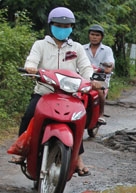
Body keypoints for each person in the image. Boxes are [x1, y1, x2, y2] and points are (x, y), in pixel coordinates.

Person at [14, 7, 101, 176]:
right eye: (59, 25)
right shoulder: (40, 45)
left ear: (71, 27)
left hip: (70, 96)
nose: (62, 29)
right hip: (44, 92)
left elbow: (85, 68)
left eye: (66, 25)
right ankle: (22, 150)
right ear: (51, 25)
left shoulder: (76, 47)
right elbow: (31, 61)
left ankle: (78, 159)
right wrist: (31, 68)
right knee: (28, 115)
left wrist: (91, 80)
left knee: (79, 121)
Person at [83, 24, 114, 124]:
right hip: (84, 77)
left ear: (101, 37)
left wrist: (108, 67)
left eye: (97, 35)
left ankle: (101, 114)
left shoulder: (107, 50)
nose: (94, 37)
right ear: (89, 35)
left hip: (101, 79)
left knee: (99, 91)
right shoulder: (82, 48)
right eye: (92, 34)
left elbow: (110, 64)